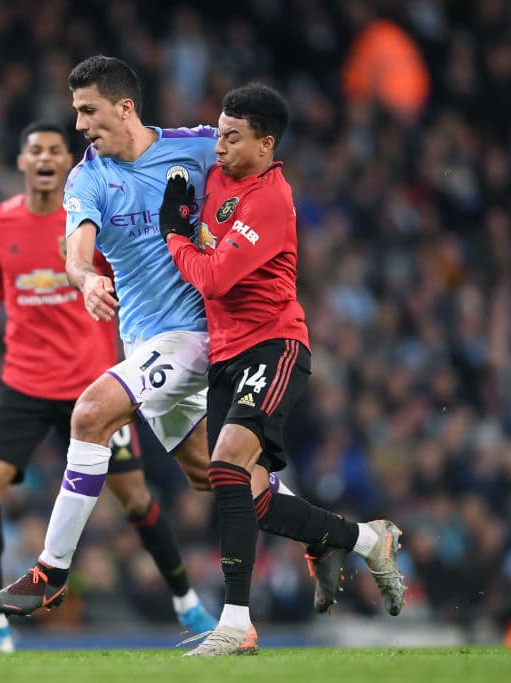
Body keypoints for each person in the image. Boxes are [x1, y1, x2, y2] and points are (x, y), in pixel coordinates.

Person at [0, 57, 371, 629]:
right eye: (75, 113)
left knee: (90, 414)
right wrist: (87, 277)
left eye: (88, 111)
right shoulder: (87, 178)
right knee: (216, 477)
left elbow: (255, 189)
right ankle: (345, 539)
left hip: (197, 334)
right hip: (144, 345)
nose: (80, 125)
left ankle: (50, 571)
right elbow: (76, 251)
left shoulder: (195, 148)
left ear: (124, 107)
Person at [0, 121, 215, 654]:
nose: (43, 157)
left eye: (54, 150)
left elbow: (138, 269)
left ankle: (188, 605)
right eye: (33, 149)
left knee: (136, 500)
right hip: (22, 382)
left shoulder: (93, 210)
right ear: (21, 162)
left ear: (68, 164)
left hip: (89, 381)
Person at [159, 84, 406, 656]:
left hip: (274, 346)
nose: (218, 146)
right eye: (218, 133)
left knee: (223, 464)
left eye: (232, 137)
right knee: (255, 498)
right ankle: (368, 540)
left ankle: (237, 623)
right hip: (225, 355)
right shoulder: (216, 174)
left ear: (266, 144)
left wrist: (175, 231)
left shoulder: (270, 199)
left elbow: (214, 277)